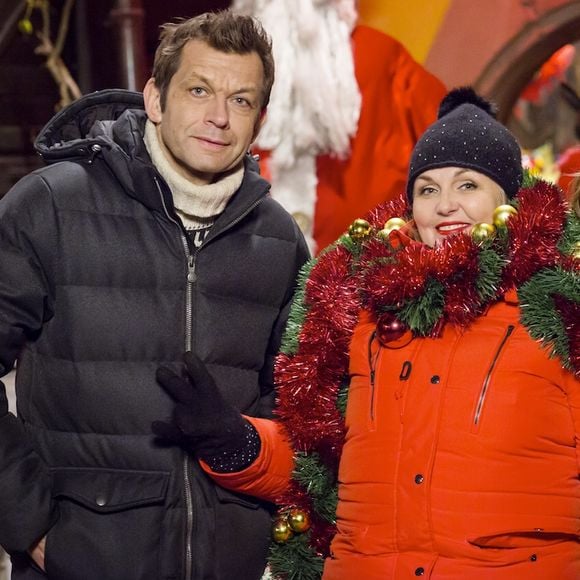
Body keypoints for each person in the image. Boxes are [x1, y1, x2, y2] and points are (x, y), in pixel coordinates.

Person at [155, 88, 580, 579]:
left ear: (508, 199)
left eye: (467, 186)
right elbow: (321, 464)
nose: (445, 206)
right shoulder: (362, 316)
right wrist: (236, 441)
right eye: (427, 189)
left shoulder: (557, 312)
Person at [0, 10, 309, 580]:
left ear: (259, 121)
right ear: (156, 100)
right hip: (81, 559)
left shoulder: (279, 240)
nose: (219, 117)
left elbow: (295, 408)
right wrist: (28, 524)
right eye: (199, 90)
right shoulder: (50, 207)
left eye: (241, 101)